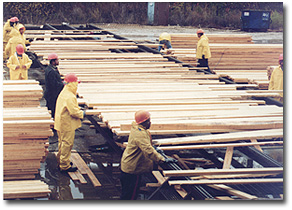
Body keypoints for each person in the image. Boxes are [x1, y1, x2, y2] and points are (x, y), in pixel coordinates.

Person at [120, 110, 177, 200]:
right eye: (149, 120)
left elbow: (147, 145)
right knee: (130, 196)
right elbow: (148, 151)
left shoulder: (138, 128)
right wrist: (162, 159)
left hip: (128, 166)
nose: (150, 122)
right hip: (132, 170)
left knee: (127, 194)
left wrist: (155, 149)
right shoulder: (140, 133)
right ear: (144, 122)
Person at [54, 73, 85, 173]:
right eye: (76, 83)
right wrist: (82, 113)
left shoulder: (64, 92)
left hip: (60, 122)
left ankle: (61, 160)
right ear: (72, 83)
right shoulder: (70, 96)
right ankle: (64, 165)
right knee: (67, 144)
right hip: (66, 124)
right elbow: (74, 112)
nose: (77, 85)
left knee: (62, 143)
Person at [44, 53, 64, 119]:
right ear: (53, 61)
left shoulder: (53, 69)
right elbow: (54, 84)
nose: (58, 61)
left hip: (53, 94)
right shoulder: (51, 71)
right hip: (52, 95)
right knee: (53, 111)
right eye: (57, 60)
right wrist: (63, 84)